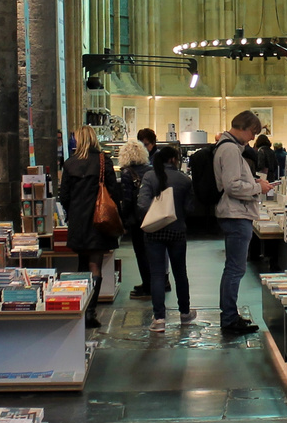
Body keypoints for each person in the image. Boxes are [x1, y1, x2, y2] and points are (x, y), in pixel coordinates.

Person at [214, 110, 272, 336]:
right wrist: (259, 187)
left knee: (234, 269)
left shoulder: (228, 147)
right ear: (244, 128)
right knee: (235, 269)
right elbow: (232, 186)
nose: (251, 138)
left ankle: (230, 315)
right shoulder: (229, 149)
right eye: (252, 133)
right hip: (236, 215)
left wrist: (254, 181)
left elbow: (235, 182)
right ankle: (229, 318)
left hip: (236, 214)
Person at [58, 127, 122, 328]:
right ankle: (90, 312)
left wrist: (73, 212)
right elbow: (113, 191)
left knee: (81, 263)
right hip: (98, 220)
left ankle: (81, 307)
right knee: (96, 264)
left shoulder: (70, 164)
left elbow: (64, 196)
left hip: (78, 220)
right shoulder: (103, 161)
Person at [136, 144, 196, 331]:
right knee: (180, 273)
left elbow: (142, 204)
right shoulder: (184, 180)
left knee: (156, 274)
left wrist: (156, 215)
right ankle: (185, 313)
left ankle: (159, 319)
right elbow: (190, 208)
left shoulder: (149, 177)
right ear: (173, 160)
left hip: (154, 232)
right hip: (177, 231)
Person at [116, 139, 154, 300]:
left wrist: (124, 221)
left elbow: (127, 200)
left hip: (136, 219)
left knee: (141, 253)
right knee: (152, 253)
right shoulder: (151, 170)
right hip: (152, 216)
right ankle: (153, 284)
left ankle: (147, 286)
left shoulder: (126, 173)